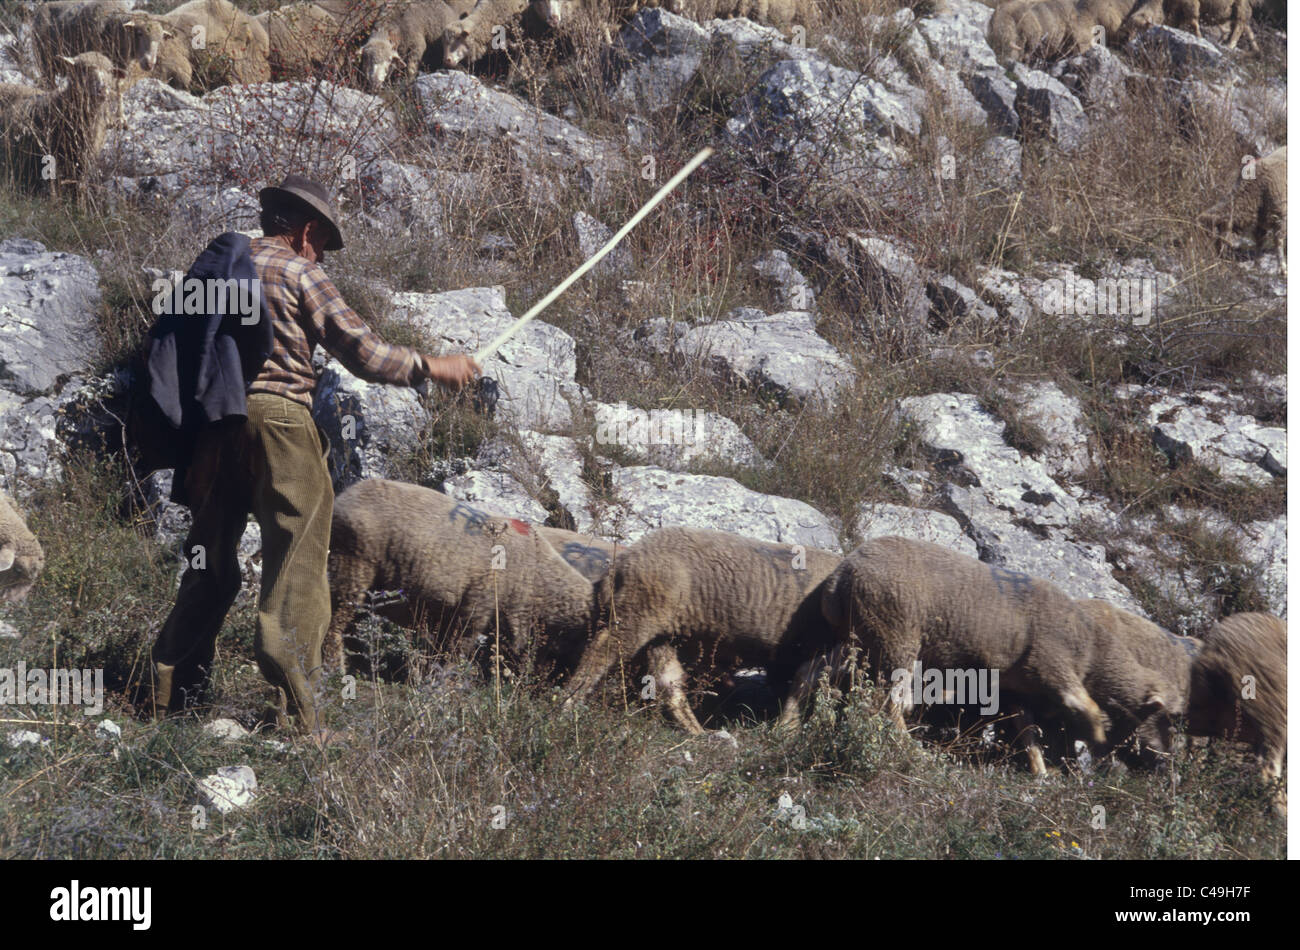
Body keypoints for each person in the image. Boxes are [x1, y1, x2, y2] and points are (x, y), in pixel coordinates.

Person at [148, 174, 479, 743]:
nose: (322, 252)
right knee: (297, 565)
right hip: (279, 422)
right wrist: (432, 365)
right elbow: (365, 354)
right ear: (306, 231)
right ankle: (298, 720)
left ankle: (167, 693)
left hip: (214, 428)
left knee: (209, 561)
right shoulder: (300, 271)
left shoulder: (220, 267)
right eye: (322, 241)